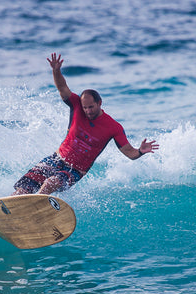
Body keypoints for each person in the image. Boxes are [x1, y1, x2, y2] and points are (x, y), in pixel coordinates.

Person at [12, 53, 159, 195]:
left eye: (91, 107)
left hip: (75, 171)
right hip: (56, 158)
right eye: (85, 107)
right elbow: (62, 87)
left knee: (50, 183)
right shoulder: (76, 105)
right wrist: (56, 71)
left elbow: (130, 153)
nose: (87, 111)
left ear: (99, 103)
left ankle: (36, 209)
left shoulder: (113, 127)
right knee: (23, 189)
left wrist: (140, 151)